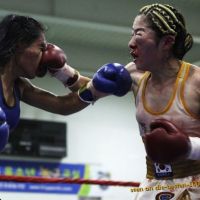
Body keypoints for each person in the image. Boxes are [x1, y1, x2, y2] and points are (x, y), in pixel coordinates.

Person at [83, 3, 200, 199]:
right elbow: (78, 98)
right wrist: (62, 72)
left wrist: (188, 146)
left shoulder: (196, 82)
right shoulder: (134, 75)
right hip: (153, 183)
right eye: (132, 33)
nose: (130, 42)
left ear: (167, 42)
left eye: (139, 34)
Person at [0, 14, 132, 152]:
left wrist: (64, 73)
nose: (45, 54)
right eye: (41, 47)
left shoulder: (19, 86)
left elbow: (61, 105)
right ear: (20, 45)